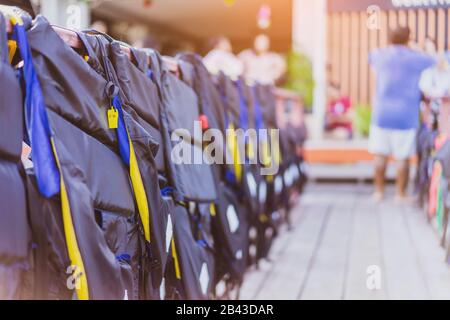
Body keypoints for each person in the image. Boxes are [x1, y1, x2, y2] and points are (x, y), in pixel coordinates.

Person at [368, 26, 435, 202]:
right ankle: (400, 194)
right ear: (408, 38)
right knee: (402, 157)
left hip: (382, 112)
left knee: (379, 155)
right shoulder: (415, 58)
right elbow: (434, 61)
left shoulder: (379, 55)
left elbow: (371, 58)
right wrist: (415, 47)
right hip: (406, 114)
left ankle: (379, 192)